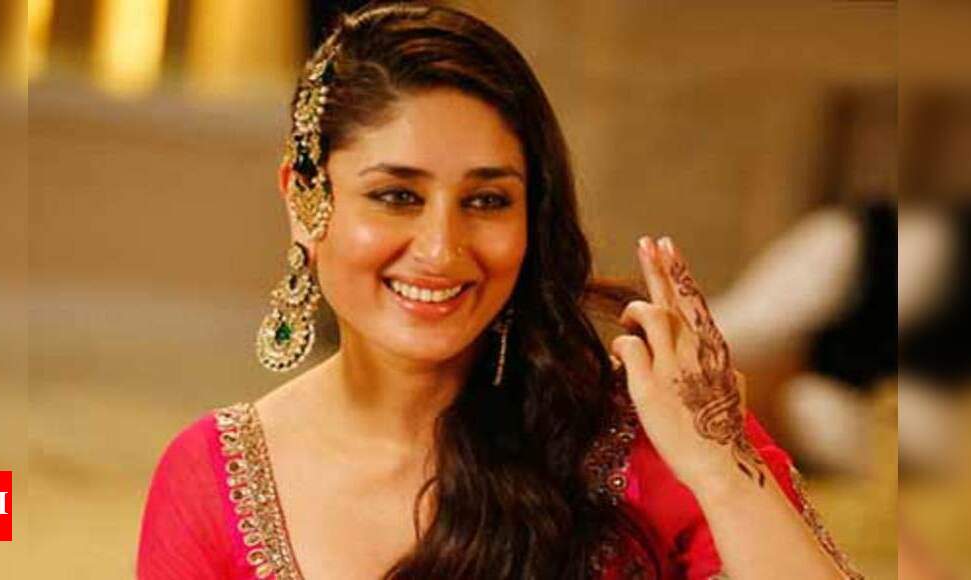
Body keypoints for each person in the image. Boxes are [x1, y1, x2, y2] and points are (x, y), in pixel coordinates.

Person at [137, 4, 862, 579]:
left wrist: (718, 467)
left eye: (486, 201)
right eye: (396, 195)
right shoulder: (217, 477)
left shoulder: (648, 437)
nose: (441, 250)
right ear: (304, 201)